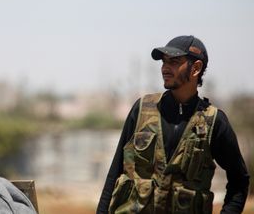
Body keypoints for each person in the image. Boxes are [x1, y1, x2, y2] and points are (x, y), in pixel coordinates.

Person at [97, 35, 250, 214]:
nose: (165, 68)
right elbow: (115, 171)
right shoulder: (141, 110)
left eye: (174, 61)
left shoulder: (214, 122)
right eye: (164, 62)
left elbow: (239, 180)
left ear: (196, 68)